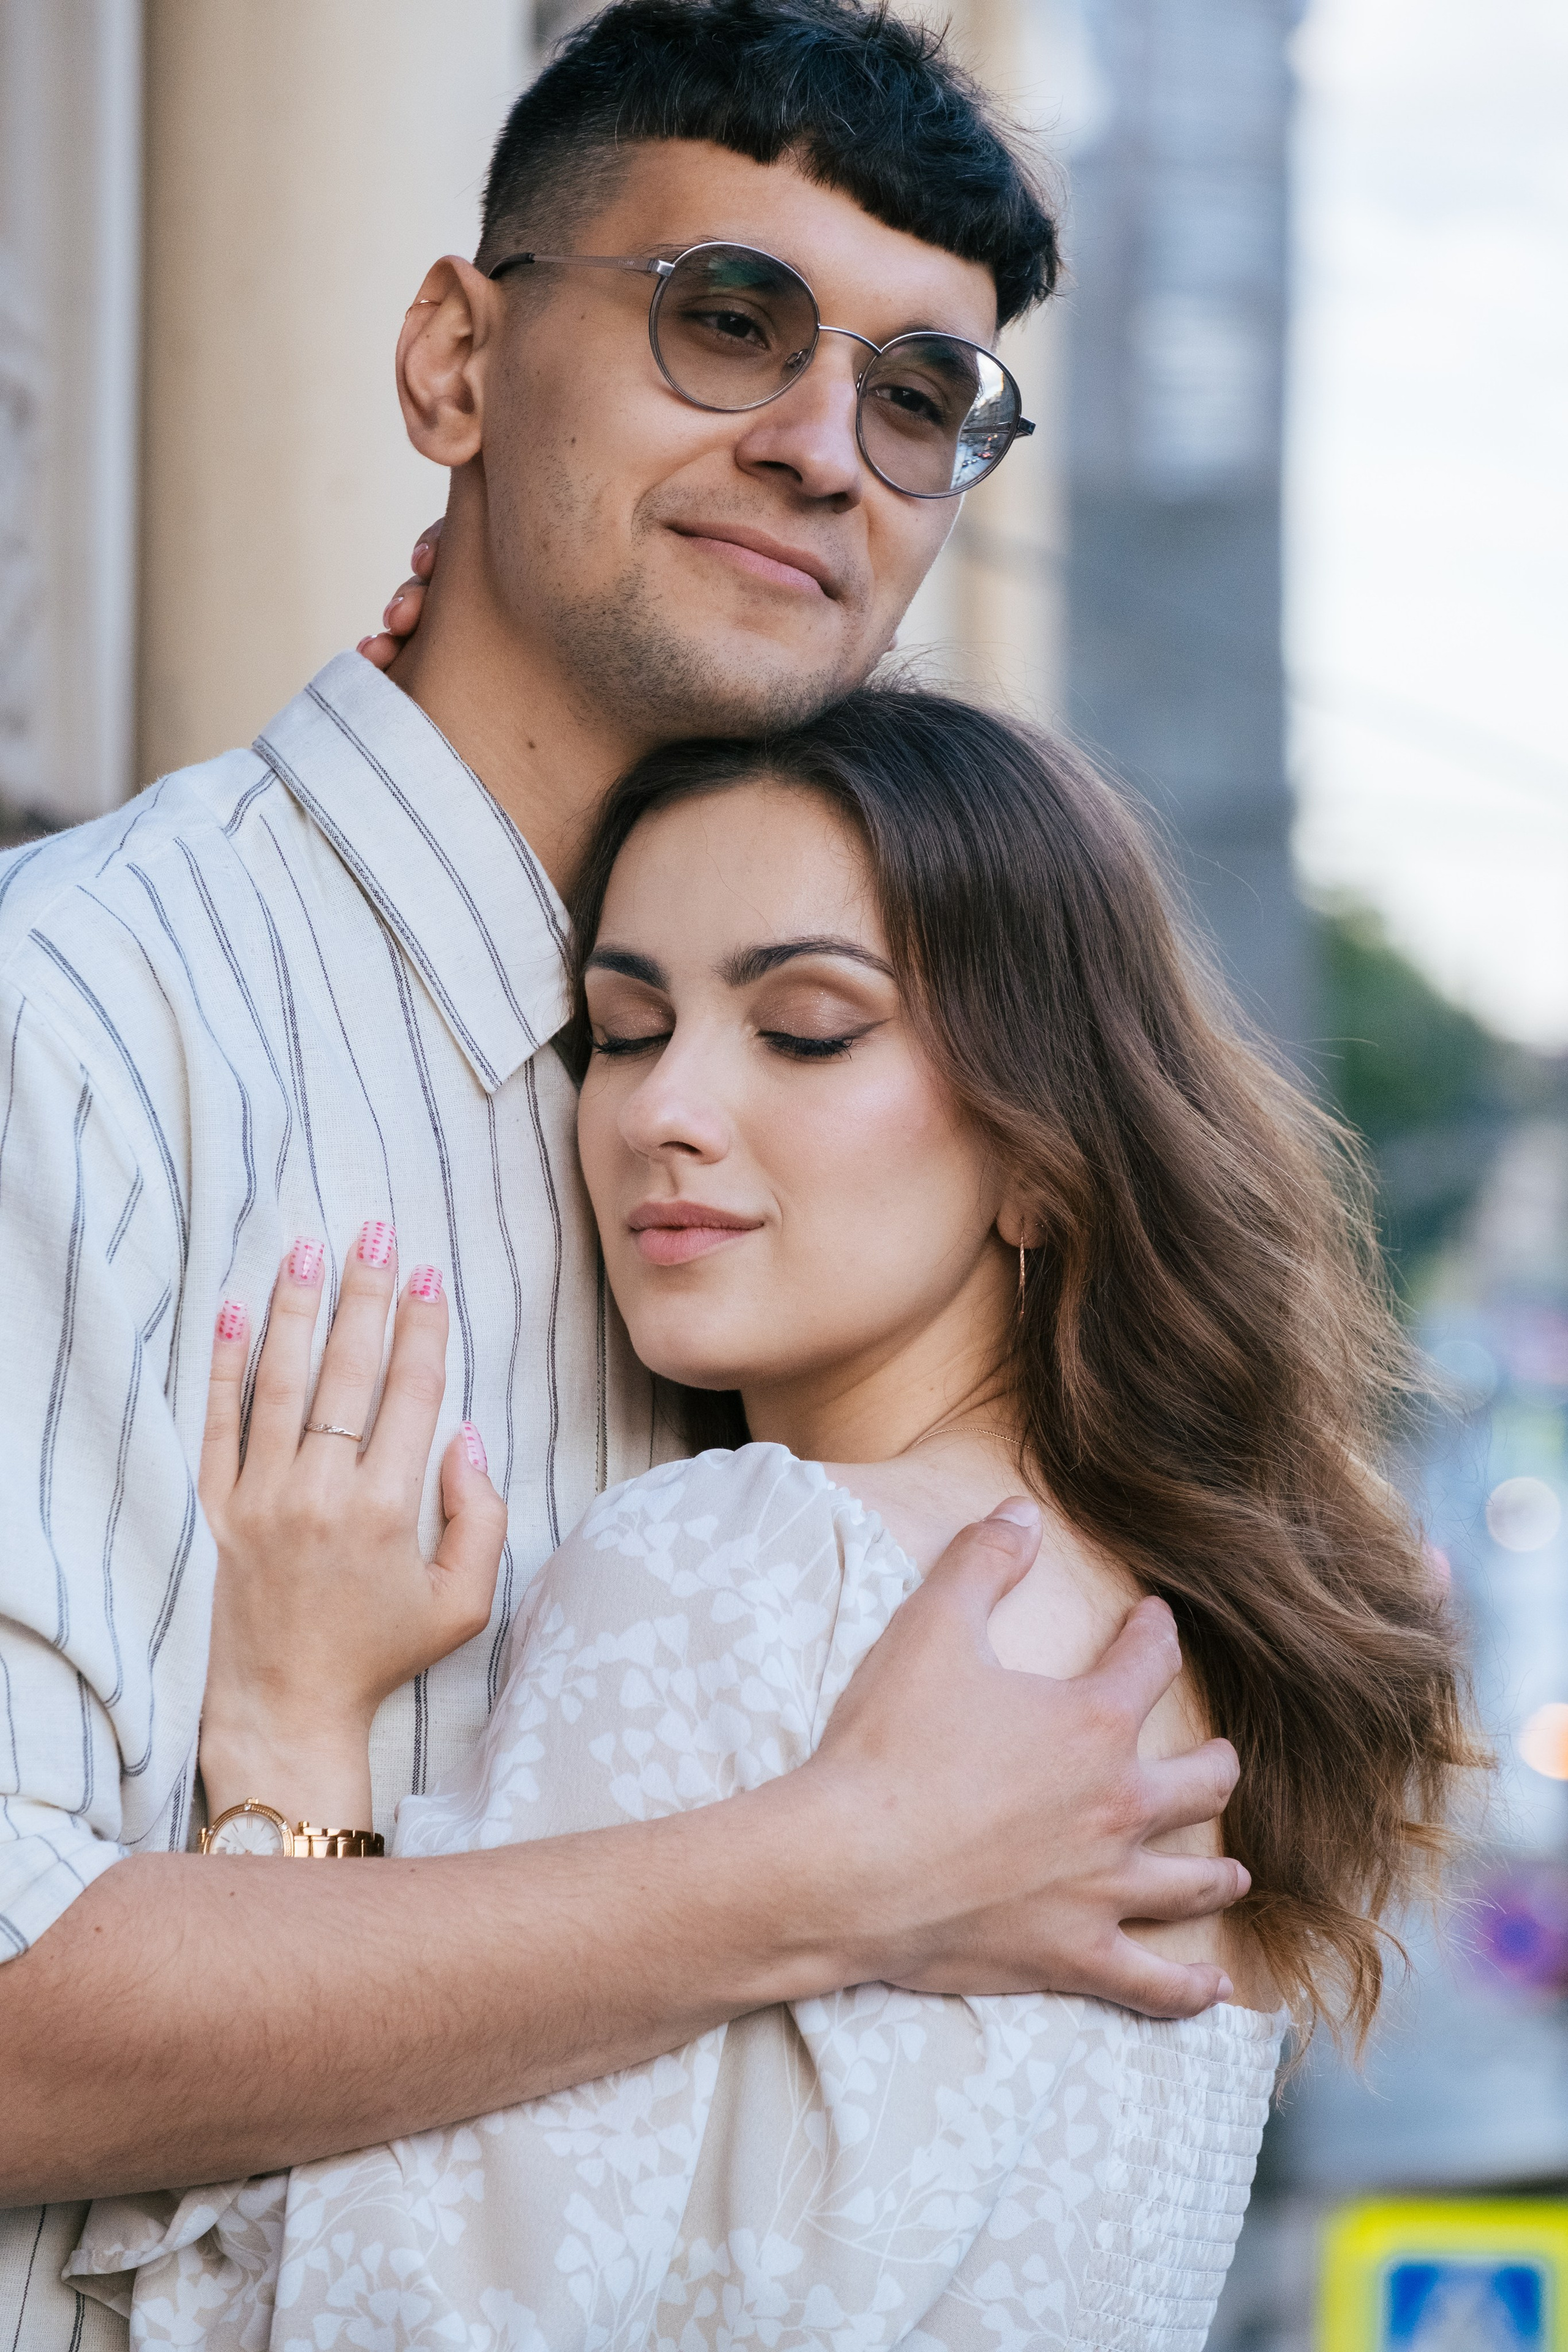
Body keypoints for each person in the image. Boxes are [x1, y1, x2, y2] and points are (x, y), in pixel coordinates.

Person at [0, 6, 1251, 2345]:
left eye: (916, 401)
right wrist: (846, 1869)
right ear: (457, 361)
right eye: (726, 320)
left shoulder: (859, 1278)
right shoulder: (71, 1035)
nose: (818, 450)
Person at [70, 688, 1474, 2347]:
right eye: (624, 1029)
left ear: (1046, 1158)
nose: (665, 1108)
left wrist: (290, 1744)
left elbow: (364, 2328)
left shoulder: (739, 1566)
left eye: (806, 1028)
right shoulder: (1198, 1668)